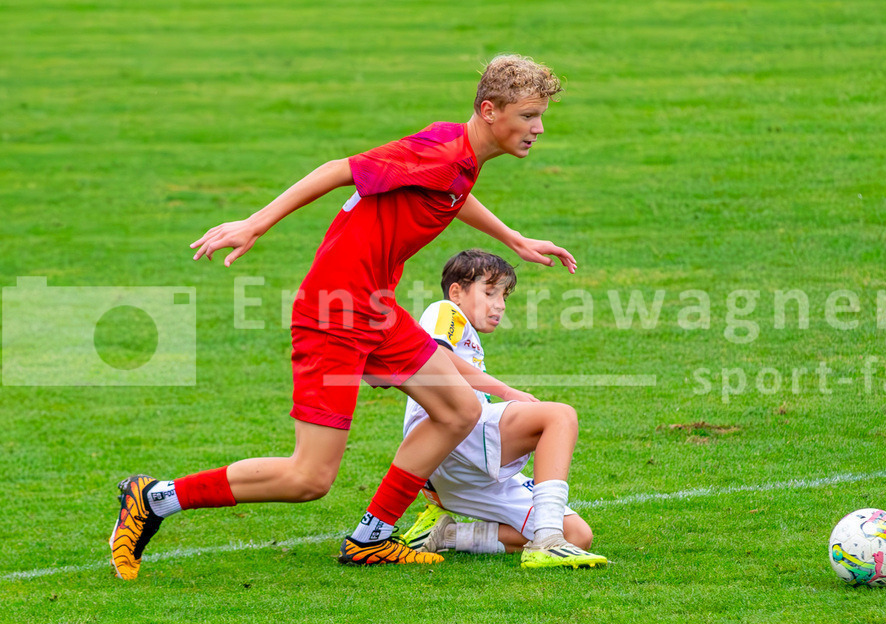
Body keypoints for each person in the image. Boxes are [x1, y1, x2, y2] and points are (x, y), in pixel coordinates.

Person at [109, 55, 578, 579]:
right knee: (308, 478)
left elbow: (452, 192)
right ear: (491, 111)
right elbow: (339, 170)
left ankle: (370, 540)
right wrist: (254, 223)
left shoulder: (460, 158)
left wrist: (514, 239)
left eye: (541, 117)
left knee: (458, 410)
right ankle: (154, 498)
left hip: (375, 309)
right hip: (333, 312)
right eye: (530, 115)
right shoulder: (442, 151)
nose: (538, 128)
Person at [396, 249, 607, 568]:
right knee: (559, 416)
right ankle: (548, 543)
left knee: (578, 535)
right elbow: (433, 355)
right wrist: (507, 391)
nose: (500, 305)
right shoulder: (445, 311)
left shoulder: (469, 338)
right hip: (448, 438)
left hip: (463, 466)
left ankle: (447, 536)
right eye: (490, 292)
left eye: (504, 296)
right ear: (457, 292)